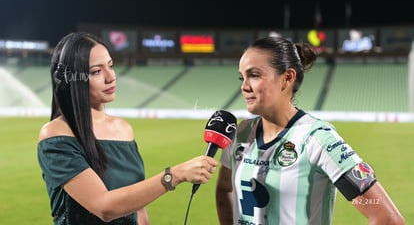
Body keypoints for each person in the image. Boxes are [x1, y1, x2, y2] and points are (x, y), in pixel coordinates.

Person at [215, 36, 405, 225]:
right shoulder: (240, 133)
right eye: (242, 77)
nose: (244, 86)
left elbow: (389, 219)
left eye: (254, 75)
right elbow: (224, 189)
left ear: (287, 78)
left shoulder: (318, 138)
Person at [37, 31, 218, 225]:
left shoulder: (123, 129)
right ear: (71, 79)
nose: (111, 77)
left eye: (111, 66)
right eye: (96, 71)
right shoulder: (56, 134)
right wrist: (175, 175)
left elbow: (138, 207)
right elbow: (104, 207)